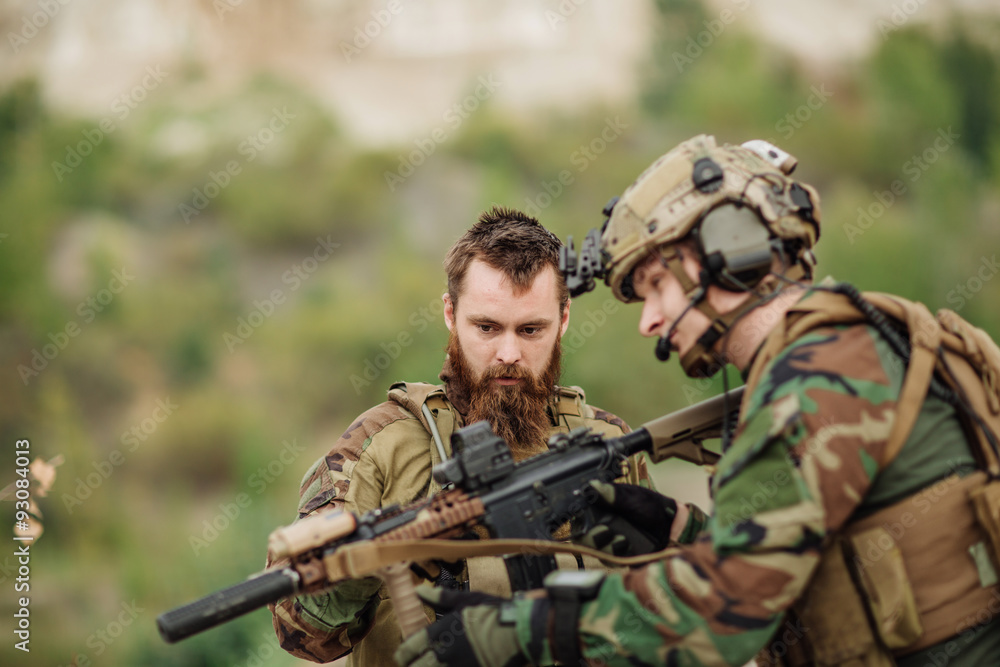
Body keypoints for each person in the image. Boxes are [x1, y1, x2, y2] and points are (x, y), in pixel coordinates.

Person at [395, 135, 1000, 666]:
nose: (649, 321)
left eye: (656, 286)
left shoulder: (813, 381)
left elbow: (723, 618)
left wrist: (525, 627)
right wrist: (673, 527)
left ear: (728, 254)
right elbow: (799, 553)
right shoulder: (858, 340)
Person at [266, 206, 656, 665]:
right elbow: (300, 633)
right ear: (450, 313)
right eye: (486, 327)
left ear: (564, 318)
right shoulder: (380, 446)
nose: (508, 353)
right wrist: (366, 565)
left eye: (531, 329)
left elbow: (672, 608)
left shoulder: (605, 441)